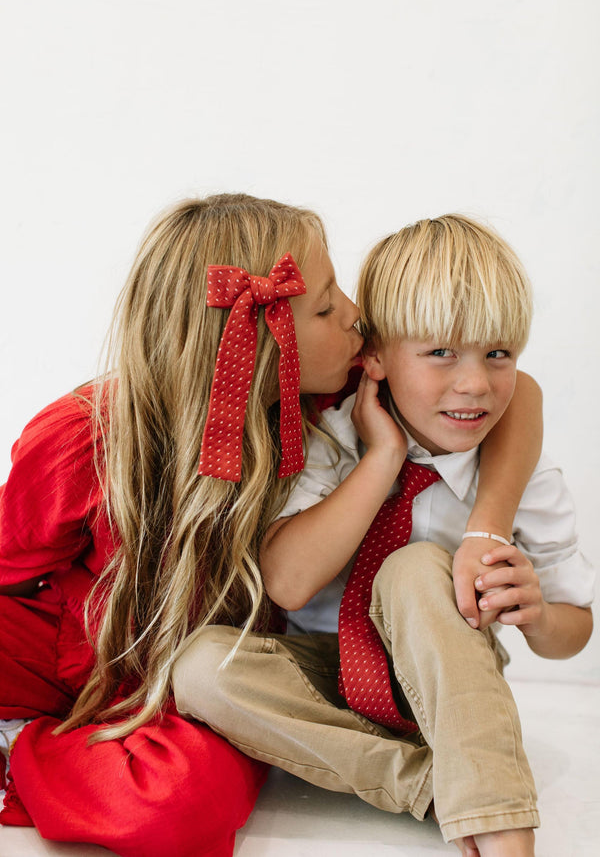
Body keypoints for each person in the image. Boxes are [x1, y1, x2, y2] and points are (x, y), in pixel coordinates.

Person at [0, 196, 541, 857]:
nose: (355, 314)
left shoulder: (327, 392)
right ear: (254, 342)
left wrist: (487, 529)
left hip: (206, 678)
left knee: (185, 799)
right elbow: (11, 565)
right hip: (74, 647)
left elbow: (519, 391)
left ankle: (30, 753)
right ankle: (30, 741)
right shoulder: (82, 437)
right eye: (327, 306)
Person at [173, 214, 594, 857]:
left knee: (415, 566)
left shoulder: (520, 467)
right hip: (329, 672)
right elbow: (287, 583)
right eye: (440, 353)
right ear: (373, 355)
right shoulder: (330, 437)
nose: (475, 384)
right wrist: (382, 458)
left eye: (498, 354)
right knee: (200, 668)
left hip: (456, 682)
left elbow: (575, 630)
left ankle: (500, 822)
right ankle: (438, 785)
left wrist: (537, 617)